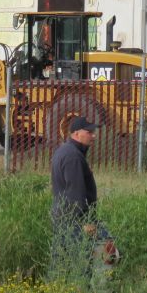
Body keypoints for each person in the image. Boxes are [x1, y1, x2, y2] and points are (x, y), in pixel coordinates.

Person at [49, 116, 101, 282]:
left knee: (60, 263)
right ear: (77, 133)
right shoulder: (73, 157)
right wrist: (86, 221)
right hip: (74, 221)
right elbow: (75, 192)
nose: (93, 136)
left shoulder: (65, 151)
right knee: (82, 264)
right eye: (89, 132)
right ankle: (82, 292)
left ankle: (55, 291)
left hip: (63, 216)